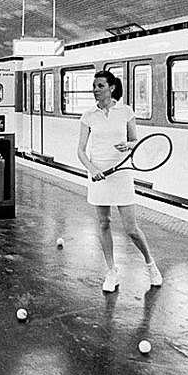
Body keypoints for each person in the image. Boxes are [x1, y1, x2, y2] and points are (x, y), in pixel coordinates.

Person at [76, 70, 162, 293]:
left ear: (111, 88)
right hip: (99, 175)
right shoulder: (88, 116)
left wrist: (129, 145)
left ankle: (150, 265)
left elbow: (136, 141)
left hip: (121, 174)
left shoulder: (125, 111)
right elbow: (81, 150)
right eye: (94, 86)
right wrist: (92, 169)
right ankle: (111, 271)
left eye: (100, 86)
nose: (95, 90)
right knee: (104, 224)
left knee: (132, 228)